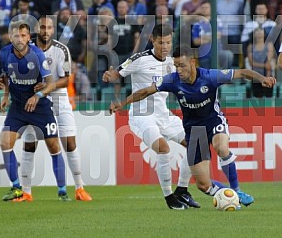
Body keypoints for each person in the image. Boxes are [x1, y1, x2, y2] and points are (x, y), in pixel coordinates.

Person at [110, 44, 276, 207]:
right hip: (194, 131)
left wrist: (263, 79)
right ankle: (229, 197)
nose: (178, 70)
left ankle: (237, 190)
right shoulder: (173, 80)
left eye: (181, 65)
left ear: (192, 63)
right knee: (203, 185)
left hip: (213, 121)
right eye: (175, 66)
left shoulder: (210, 77)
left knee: (221, 147)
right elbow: (146, 91)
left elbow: (242, 72)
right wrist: (123, 103)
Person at [103, 24, 200, 210]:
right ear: (152, 41)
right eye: (161, 42)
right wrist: (110, 75)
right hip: (142, 116)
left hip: (164, 114)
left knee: (194, 144)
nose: (165, 46)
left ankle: (182, 191)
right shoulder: (139, 59)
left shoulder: (172, 63)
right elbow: (118, 73)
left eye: (169, 42)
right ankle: (169, 197)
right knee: (163, 148)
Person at [0, 16, 92, 202]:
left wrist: (46, 86)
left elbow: (65, 79)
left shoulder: (62, 50)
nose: (46, 31)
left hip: (58, 99)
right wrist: (6, 87)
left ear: (53, 30)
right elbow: (8, 74)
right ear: (36, 29)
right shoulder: (25, 46)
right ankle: (25, 192)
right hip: (34, 102)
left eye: (49, 28)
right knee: (29, 145)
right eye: (42, 27)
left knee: (69, 143)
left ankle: (79, 188)